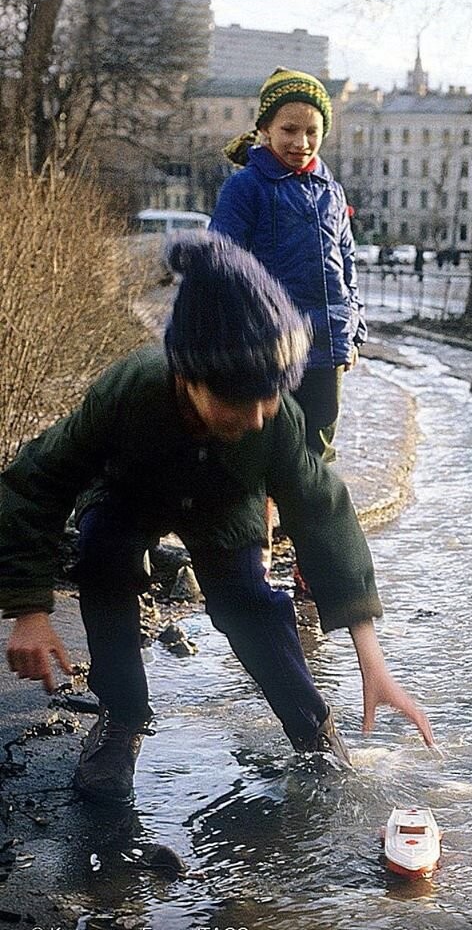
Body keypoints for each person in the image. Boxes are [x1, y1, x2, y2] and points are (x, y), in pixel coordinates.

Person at [0, 232, 434, 807]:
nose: (256, 418)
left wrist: (371, 659)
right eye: (237, 400)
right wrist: (28, 610)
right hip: (130, 490)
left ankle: (314, 732)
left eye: (270, 398)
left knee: (246, 603)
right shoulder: (132, 391)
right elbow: (35, 482)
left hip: (224, 501)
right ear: (187, 376)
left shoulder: (272, 423)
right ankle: (122, 718)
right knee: (103, 559)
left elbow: (321, 511)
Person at [209, 68, 364, 465]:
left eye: (312, 132)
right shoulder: (246, 187)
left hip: (326, 343)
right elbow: (221, 265)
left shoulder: (330, 190)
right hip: (269, 344)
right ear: (265, 129)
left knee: (318, 441)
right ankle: (259, 521)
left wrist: (354, 329)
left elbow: (347, 264)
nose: (301, 143)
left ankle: (302, 523)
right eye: (289, 130)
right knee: (264, 443)